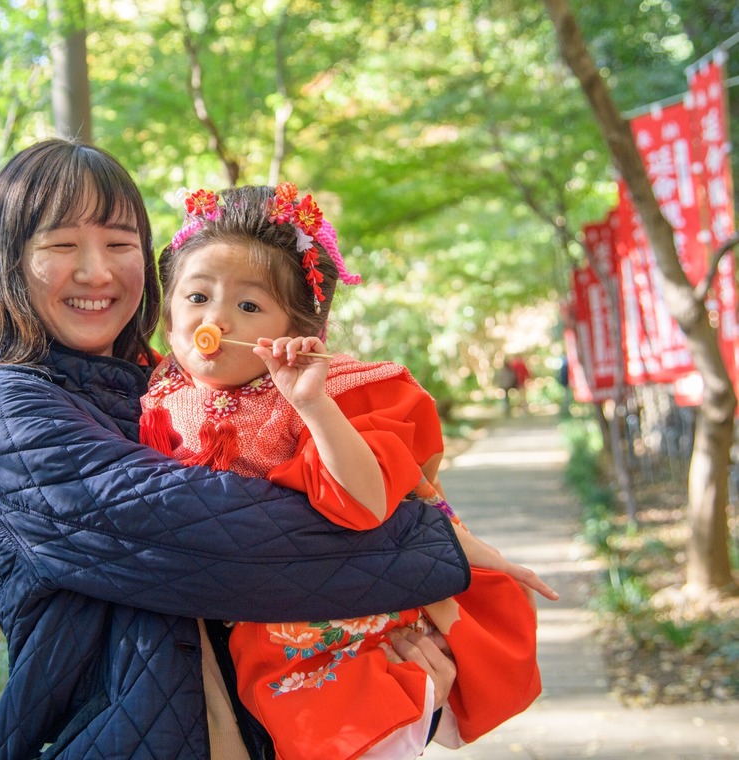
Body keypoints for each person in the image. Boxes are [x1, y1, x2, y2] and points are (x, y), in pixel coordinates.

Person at [0, 139, 474, 759]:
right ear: (9, 262)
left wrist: (400, 700)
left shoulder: (173, 387)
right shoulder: (4, 413)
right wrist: (435, 547)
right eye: (62, 245)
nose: (97, 272)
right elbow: (224, 545)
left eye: (120, 244)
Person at [140, 184, 551, 758]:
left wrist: (312, 404)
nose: (216, 318)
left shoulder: (337, 394)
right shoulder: (153, 393)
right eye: (196, 296)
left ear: (297, 327)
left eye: (249, 306)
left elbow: (365, 503)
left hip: (331, 619)